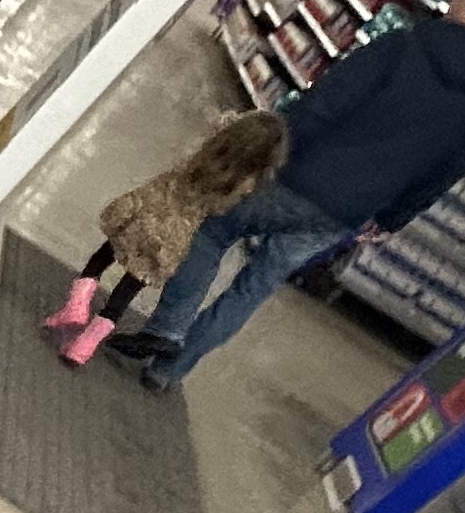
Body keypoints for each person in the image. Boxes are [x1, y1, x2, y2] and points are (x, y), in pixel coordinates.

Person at [119, 0, 465, 391]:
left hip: (300, 175)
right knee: (255, 285)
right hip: (350, 209)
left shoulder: (403, 45)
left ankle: (168, 329)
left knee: (214, 230)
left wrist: (272, 144)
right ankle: (167, 370)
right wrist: (393, 217)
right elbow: (452, 164)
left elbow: (327, 101)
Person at [40, 107, 290, 364]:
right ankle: (83, 348)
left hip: (148, 210)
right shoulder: (243, 182)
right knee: (128, 288)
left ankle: (76, 306)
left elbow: (221, 120)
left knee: (104, 255)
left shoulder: (212, 142)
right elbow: (219, 208)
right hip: (171, 235)